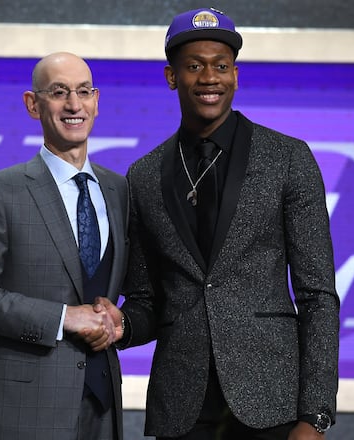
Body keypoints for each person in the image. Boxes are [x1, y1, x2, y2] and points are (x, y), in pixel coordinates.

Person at [98, 7, 339, 440]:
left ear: (236, 75)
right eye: (194, 66)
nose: (209, 77)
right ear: (172, 77)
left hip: (272, 403)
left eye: (221, 66)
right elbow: (146, 298)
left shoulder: (288, 159)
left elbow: (318, 295)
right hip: (182, 405)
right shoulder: (145, 174)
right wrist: (123, 325)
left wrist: (315, 415)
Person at [0, 52, 128, 440]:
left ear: (97, 101)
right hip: (25, 411)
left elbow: (139, 289)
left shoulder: (120, 191)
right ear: (33, 104)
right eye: (59, 92)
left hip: (103, 409)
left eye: (83, 91)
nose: (74, 105)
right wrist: (64, 317)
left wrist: (121, 323)